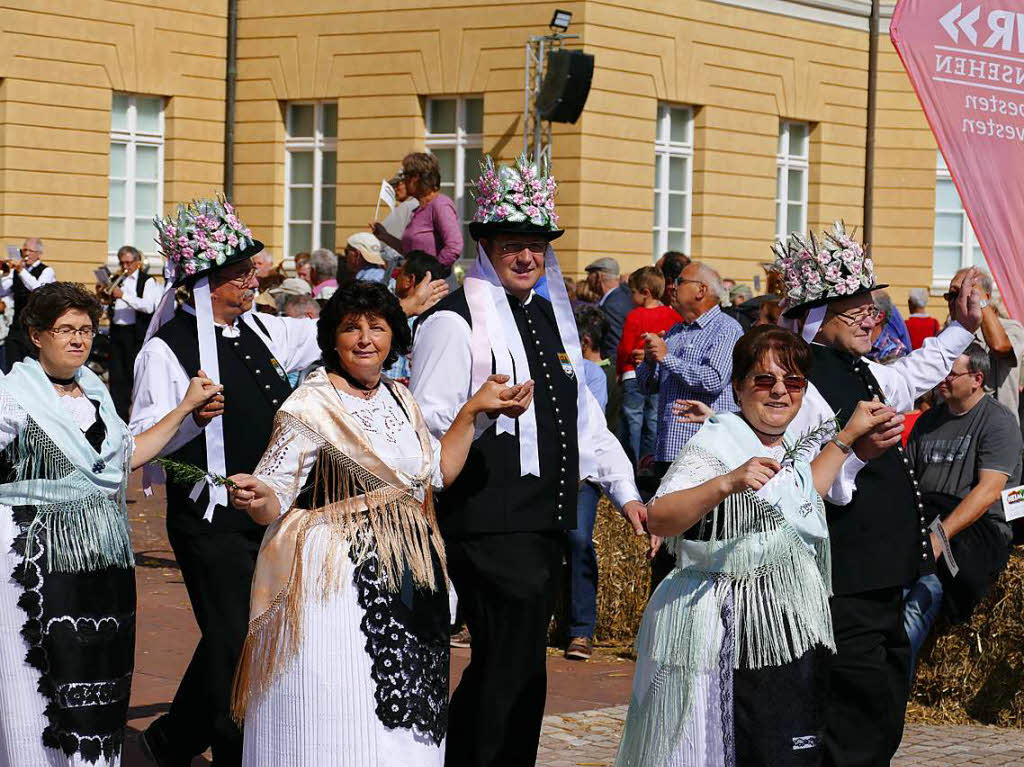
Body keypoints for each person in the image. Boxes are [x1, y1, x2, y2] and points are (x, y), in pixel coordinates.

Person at [224, 282, 532, 767]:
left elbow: (435, 474)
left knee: (407, 704)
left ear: (394, 338)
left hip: (410, 571)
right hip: (336, 581)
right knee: (343, 699)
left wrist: (473, 411)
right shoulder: (309, 405)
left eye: (377, 327)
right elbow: (275, 492)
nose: (365, 339)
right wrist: (256, 496)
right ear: (333, 339)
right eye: (351, 328)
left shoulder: (400, 398)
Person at [411, 154, 648, 767]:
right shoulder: (452, 321)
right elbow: (428, 422)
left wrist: (625, 492)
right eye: (515, 245)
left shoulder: (544, 315)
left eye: (537, 247)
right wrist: (484, 410)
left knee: (519, 671)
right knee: (506, 668)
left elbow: (583, 418)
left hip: (540, 524)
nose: (528, 258)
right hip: (488, 523)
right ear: (486, 247)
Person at [615, 326, 889, 767]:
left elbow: (802, 496)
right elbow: (661, 516)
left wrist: (849, 439)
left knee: (786, 745)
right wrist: (726, 483)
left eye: (794, 382)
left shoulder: (787, 443)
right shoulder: (718, 441)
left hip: (783, 619)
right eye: (765, 380)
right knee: (733, 746)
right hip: (722, 626)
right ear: (739, 385)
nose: (780, 392)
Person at [772, 222, 982, 767]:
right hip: (845, 577)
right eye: (857, 311)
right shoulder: (801, 384)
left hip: (885, 576)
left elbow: (913, 375)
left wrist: (960, 327)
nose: (873, 318)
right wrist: (856, 455)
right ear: (818, 319)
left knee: (882, 704)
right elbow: (796, 482)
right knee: (854, 709)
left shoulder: (859, 368)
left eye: (874, 308)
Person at [130, 198, 323, 767]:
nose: (252, 277)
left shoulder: (259, 328)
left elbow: (316, 336)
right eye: (239, 272)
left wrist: (396, 309)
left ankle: (173, 739)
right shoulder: (168, 349)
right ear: (207, 283)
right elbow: (143, 438)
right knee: (238, 638)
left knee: (237, 631)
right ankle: (239, 750)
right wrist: (192, 418)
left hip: (264, 509)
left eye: (250, 268)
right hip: (208, 516)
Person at [0, 282, 220, 767]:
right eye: (66, 330)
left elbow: (126, 460)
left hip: (104, 558)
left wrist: (186, 412)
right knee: (40, 677)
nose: (79, 340)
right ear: (36, 335)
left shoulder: (95, 392)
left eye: (86, 329)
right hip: (33, 561)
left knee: (100, 667)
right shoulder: (11, 397)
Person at [903, 343, 1022, 669]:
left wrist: (939, 537)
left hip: (975, 530)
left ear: (976, 378)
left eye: (950, 374)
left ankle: (893, 682)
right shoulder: (928, 421)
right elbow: (906, 481)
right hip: (926, 517)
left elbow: (988, 492)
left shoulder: (998, 422)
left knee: (923, 591)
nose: (942, 380)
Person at [637, 261, 743, 472]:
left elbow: (713, 379)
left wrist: (667, 358)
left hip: (704, 454)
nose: (672, 287)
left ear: (701, 290)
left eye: (680, 281)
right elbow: (647, 387)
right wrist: (650, 360)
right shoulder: (676, 330)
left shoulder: (727, 329)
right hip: (668, 449)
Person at [564, 305, 617, 661]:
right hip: (545, 470)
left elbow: (586, 420)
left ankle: (581, 630)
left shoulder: (590, 373)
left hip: (581, 471)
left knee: (579, 538)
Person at [616, 266, 681, 466]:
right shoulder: (672, 316)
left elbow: (625, 349)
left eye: (633, 292)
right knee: (653, 419)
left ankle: (631, 464)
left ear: (645, 293)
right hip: (660, 373)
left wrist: (620, 370)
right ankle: (648, 462)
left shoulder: (635, 315)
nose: (630, 297)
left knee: (632, 421)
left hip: (632, 374)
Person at [949, 268, 1024, 422]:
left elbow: (1000, 347)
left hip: (998, 429)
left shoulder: (1011, 329)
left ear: (985, 298)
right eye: (951, 295)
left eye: (963, 294)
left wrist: (979, 299)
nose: (955, 301)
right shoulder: (946, 336)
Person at [100, 246, 162, 421]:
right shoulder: (117, 280)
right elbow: (110, 306)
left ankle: (135, 417)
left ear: (138, 262)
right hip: (117, 332)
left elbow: (148, 306)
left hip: (134, 335)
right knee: (116, 377)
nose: (125, 266)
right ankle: (117, 417)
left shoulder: (147, 281)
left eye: (129, 262)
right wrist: (106, 300)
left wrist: (123, 296)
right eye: (122, 262)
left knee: (132, 376)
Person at [399, 152, 463, 267]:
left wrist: (432, 271)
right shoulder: (419, 210)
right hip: (420, 281)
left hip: (436, 282)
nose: (403, 181)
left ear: (417, 178)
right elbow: (410, 250)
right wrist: (384, 236)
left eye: (405, 175)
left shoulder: (440, 204)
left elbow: (454, 246)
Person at [5, 238, 57, 367]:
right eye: (24, 250)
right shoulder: (16, 272)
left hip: (35, 326)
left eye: (30, 251)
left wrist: (21, 271)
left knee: (32, 365)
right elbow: (4, 291)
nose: (26, 254)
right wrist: (4, 273)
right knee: (12, 364)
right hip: (16, 325)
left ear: (39, 253)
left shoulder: (47, 271)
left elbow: (37, 289)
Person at [585, 257, 634, 361]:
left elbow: (613, 345)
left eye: (589, 274)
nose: (587, 279)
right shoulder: (623, 296)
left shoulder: (611, 306)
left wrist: (611, 372)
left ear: (598, 276)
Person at [371, 171, 420, 257]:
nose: (395, 189)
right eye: (393, 186)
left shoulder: (408, 205)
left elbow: (380, 243)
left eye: (398, 184)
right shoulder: (415, 204)